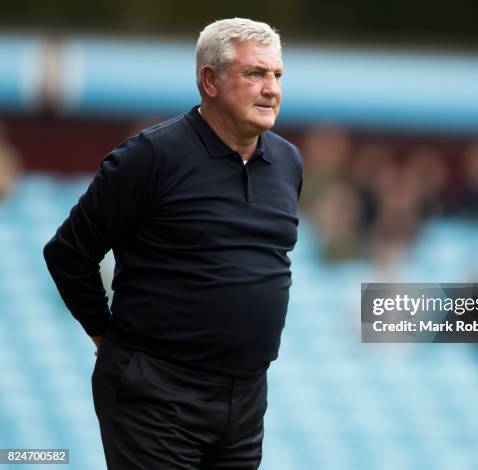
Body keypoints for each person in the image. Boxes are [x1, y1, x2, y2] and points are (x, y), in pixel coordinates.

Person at [43, 18, 303, 469]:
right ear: (210, 80)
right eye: (254, 74)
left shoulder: (287, 161)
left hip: (245, 399)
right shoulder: (151, 157)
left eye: (277, 75)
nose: (271, 89)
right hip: (156, 394)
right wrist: (103, 332)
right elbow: (68, 251)